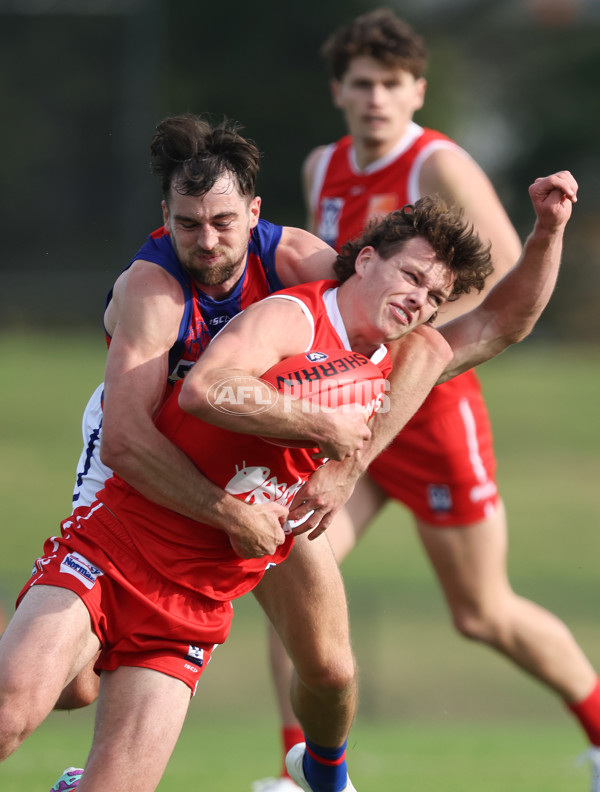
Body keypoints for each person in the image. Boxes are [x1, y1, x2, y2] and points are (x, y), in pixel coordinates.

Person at [0, 166, 574, 792]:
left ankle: (323, 775)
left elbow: (501, 323)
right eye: (411, 277)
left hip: (204, 589)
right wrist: (320, 430)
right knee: (26, 706)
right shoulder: (291, 316)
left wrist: (547, 230)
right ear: (366, 260)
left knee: (331, 671)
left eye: (434, 297)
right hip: (137, 530)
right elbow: (206, 390)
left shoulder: (398, 357)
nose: (419, 301)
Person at [253, 10, 600, 792]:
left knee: (481, 612)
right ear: (339, 89)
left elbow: (507, 274)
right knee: (294, 572)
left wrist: (396, 344)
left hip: (432, 411)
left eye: (392, 83)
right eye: (362, 83)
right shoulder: (322, 165)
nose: (376, 98)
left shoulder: (437, 163)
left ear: (417, 90)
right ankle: (300, 772)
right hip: (352, 415)